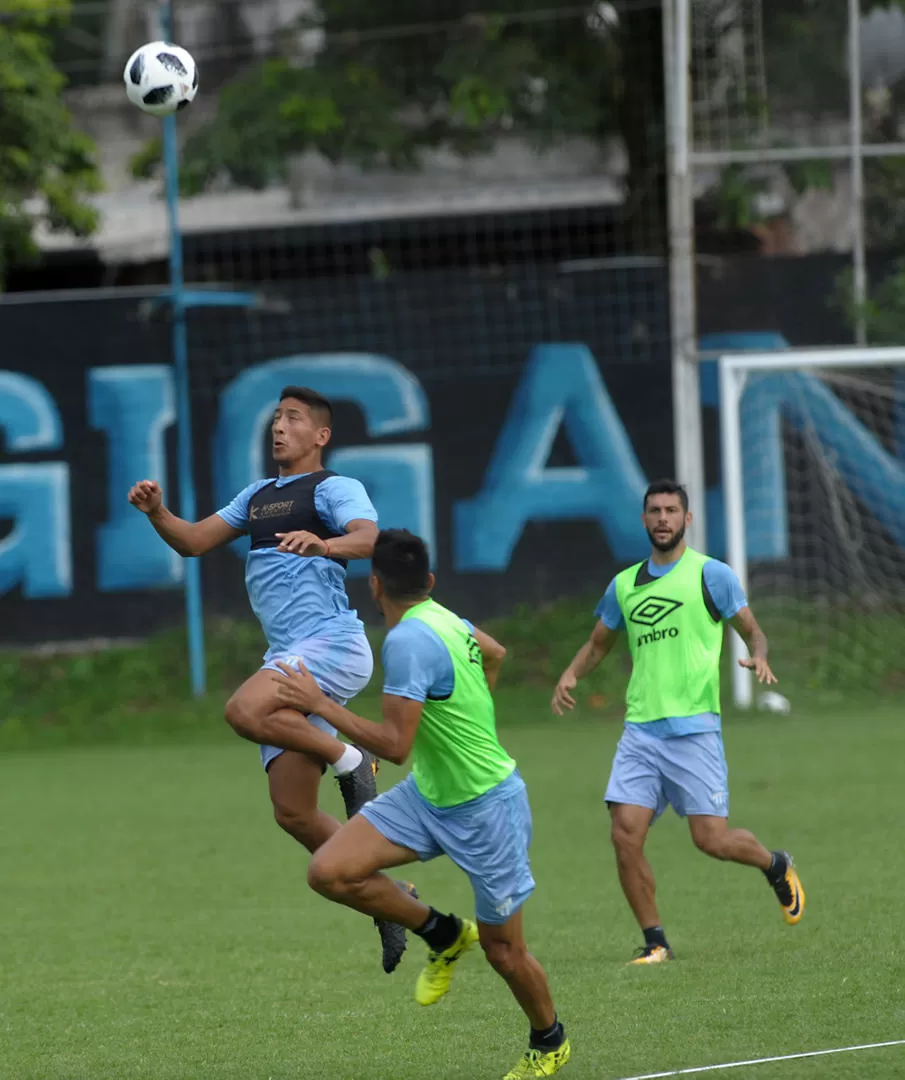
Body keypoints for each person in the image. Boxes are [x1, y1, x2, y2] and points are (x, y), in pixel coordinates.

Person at [127, 384, 411, 972]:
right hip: (288, 654)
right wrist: (158, 513)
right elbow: (193, 542)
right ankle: (391, 901)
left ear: (321, 436)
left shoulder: (333, 487)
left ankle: (350, 759)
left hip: (332, 643)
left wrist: (325, 543)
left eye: (293, 419)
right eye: (276, 418)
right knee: (293, 814)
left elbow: (371, 539)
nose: (279, 427)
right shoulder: (256, 496)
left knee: (242, 711)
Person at [271, 529, 571, 1080]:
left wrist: (319, 704)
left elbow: (395, 747)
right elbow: (495, 652)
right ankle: (444, 933)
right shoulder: (446, 617)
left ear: (374, 585)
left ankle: (549, 1040)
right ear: (428, 582)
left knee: (507, 954)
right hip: (430, 795)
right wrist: (472, 714)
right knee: (331, 870)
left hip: (487, 809)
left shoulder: (407, 641)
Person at [552, 478, 805, 964]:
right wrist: (570, 672)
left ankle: (775, 864)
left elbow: (752, 631)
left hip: (694, 731)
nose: (663, 518)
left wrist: (759, 656)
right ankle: (656, 942)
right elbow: (598, 644)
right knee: (625, 834)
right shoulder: (623, 585)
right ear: (644, 520)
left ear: (687, 520)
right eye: (655, 510)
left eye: (672, 510)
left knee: (711, 840)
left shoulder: (712, 575)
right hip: (640, 731)